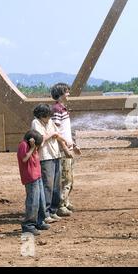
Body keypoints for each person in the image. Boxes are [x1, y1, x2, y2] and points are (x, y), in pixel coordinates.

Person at [31, 104, 70, 223]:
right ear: (41, 115)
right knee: (48, 185)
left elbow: (57, 135)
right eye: (47, 116)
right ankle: (45, 212)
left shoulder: (50, 122)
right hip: (45, 156)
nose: (49, 118)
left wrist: (66, 143)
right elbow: (40, 139)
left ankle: (53, 210)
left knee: (56, 185)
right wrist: (52, 135)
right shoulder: (36, 123)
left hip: (55, 154)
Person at [50, 83, 81, 217]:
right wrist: (64, 147)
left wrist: (73, 145)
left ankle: (65, 201)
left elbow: (64, 131)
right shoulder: (57, 110)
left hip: (67, 147)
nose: (68, 94)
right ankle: (61, 205)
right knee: (65, 177)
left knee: (69, 177)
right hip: (62, 150)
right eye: (67, 92)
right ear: (61, 94)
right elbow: (56, 131)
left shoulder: (62, 109)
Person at [17, 130, 50, 235]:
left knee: (41, 201)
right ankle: (28, 225)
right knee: (33, 202)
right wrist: (32, 147)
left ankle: (39, 221)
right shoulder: (23, 145)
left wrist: (34, 147)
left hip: (37, 176)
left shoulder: (33, 147)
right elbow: (24, 159)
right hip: (30, 178)